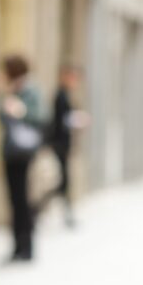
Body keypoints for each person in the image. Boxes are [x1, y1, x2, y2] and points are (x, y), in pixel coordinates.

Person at [0, 54, 45, 262]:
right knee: (14, 199)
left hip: (23, 152)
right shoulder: (11, 90)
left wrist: (20, 110)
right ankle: (17, 246)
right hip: (10, 150)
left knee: (22, 199)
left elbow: (39, 117)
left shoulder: (30, 91)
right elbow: (0, 117)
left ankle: (26, 246)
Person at [34, 64, 87, 227]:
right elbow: (59, 121)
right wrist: (76, 119)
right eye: (72, 77)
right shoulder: (60, 96)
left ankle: (59, 212)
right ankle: (38, 209)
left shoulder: (65, 95)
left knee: (62, 181)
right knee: (60, 181)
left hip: (62, 144)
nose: (74, 81)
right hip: (59, 145)